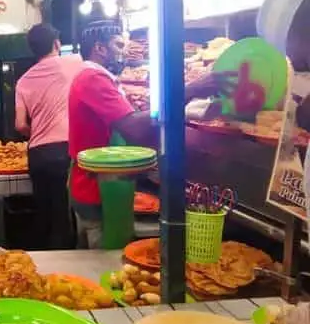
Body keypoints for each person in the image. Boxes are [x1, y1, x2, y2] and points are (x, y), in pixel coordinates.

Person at [68, 21, 231, 248]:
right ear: (100, 48)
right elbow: (134, 128)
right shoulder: (93, 79)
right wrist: (189, 91)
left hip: (102, 183)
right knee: (104, 260)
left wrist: (189, 110)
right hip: (99, 188)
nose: (124, 50)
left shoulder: (95, 77)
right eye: (118, 44)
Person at [15, 24, 84, 249]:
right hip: (64, 149)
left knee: (44, 213)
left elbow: (20, 125)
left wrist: (38, 132)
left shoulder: (23, 81)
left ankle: (44, 267)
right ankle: (66, 269)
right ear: (56, 43)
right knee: (64, 215)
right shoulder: (72, 63)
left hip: (37, 154)